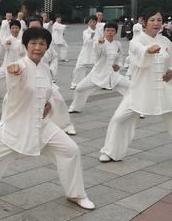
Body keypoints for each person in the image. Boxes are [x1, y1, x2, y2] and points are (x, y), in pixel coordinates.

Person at [0, 28, 94, 210]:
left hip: (40, 125)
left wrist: (49, 106)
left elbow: (49, 94)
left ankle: (76, 194)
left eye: (42, 44)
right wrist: (12, 71)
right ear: (26, 45)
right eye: (33, 43)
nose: (37, 47)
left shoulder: (46, 69)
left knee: (71, 150)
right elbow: (13, 80)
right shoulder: (19, 66)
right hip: (14, 125)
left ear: (47, 47)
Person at [99, 9, 172, 163]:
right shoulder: (136, 41)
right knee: (119, 118)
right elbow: (138, 52)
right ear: (144, 22)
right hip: (140, 88)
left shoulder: (166, 42)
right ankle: (111, 152)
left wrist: (171, 71)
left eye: (159, 20)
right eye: (152, 20)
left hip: (163, 89)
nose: (156, 23)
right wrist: (148, 51)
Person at [68, 23, 129, 113]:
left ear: (115, 32)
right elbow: (97, 53)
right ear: (104, 32)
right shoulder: (99, 42)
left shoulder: (118, 44)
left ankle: (134, 109)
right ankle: (75, 107)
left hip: (113, 75)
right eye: (107, 30)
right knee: (79, 89)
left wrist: (118, 66)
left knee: (131, 87)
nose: (109, 33)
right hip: (97, 74)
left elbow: (120, 59)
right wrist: (99, 44)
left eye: (112, 31)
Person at [0, 20, 24, 100]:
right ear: (10, 29)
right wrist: (7, 44)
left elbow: (23, 51)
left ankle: (17, 97)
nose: (14, 30)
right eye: (13, 28)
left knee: (15, 83)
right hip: (6, 65)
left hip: (18, 66)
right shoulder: (8, 38)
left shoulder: (22, 39)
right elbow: (5, 45)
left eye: (16, 28)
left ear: (19, 29)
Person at [70, 16, 98, 89]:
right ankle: (75, 83)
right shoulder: (85, 32)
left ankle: (98, 82)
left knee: (98, 67)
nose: (92, 23)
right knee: (79, 67)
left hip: (96, 52)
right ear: (88, 23)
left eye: (94, 22)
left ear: (96, 22)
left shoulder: (99, 31)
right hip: (86, 51)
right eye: (90, 22)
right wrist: (91, 36)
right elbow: (87, 40)